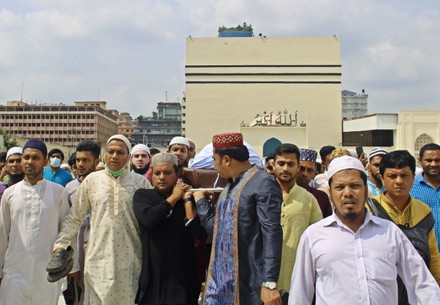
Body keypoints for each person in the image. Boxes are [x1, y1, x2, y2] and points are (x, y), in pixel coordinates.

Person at [289, 156, 440, 305]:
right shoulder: (314, 235)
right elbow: (300, 294)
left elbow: (421, 282)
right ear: (330, 192)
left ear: (366, 189)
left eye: (355, 186)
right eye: (340, 187)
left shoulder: (389, 232)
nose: (347, 193)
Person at [52, 135, 152, 305]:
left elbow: (150, 219)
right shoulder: (92, 181)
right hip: (97, 259)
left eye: (120, 152)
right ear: (104, 156)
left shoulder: (141, 183)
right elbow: (74, 217)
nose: (114, 156)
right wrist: (60, 244)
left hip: (130, 260)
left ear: (128, 157)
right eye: (110, 151)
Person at [194, 132, 283, 305]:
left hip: (248, 282)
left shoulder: (263, 182)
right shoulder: (228, 189)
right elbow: (216, 230)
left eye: (214, 160)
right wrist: (201, 202)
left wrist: (269, 283)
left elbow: (272, 232)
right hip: (219, 286)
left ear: (226, 159)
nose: (214, 166)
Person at [0, 139, 77, 305]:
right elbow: (2, 233)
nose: (29, 162)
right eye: (26, 157)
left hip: (47, 272)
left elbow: (66, 230)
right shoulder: (10, 194)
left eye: (35, 158)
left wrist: (72, 267)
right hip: (14, 271)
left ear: (45, 162)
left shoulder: (58, 192)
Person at [133, 153, 206, 305]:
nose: (161, 177)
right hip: (154, 278)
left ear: (178, 174)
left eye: (167, 173)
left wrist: (186, 200)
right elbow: (149, 219)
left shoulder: (188, 197)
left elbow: (198, 233)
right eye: (157, 173)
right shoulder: (143, 196)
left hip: (183, 278)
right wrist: (174, 197)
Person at [373, 150, 440, 284]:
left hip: (417, 288)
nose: (399, 181)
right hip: (381, 288)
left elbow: (432, 257)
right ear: (382, 178)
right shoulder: (369, 210)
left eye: (404, 175)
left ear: (413, 177)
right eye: (392, 176)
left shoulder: (423, 211)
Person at [272, 144, 322, 292]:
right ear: (273, 165)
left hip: (298, 280)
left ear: (298, 166)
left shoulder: (309, 199)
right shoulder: (260, 195)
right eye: (281, 164)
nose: (286, 168)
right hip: (262, 281)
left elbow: (318, 239)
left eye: (291, 164)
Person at [64, 140, 101, 305]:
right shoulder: (70, 188)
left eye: (85, 160)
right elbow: (66, 225)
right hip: (79, 248)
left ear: (97, 161)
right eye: (78, 160)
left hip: (100, 246)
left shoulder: (104, 185)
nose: (80, 164)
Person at [410, 143, 440, 251]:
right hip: (424, 252)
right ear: (420, 161)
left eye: (437, 160)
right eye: (429, 160)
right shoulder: (411, 189)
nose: (433, 164)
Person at [297, 148, 332, 217]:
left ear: (314, 174)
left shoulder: (321, 197)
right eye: (302, 169)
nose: (305, 174)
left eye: (309, 170)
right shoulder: (283, 194)